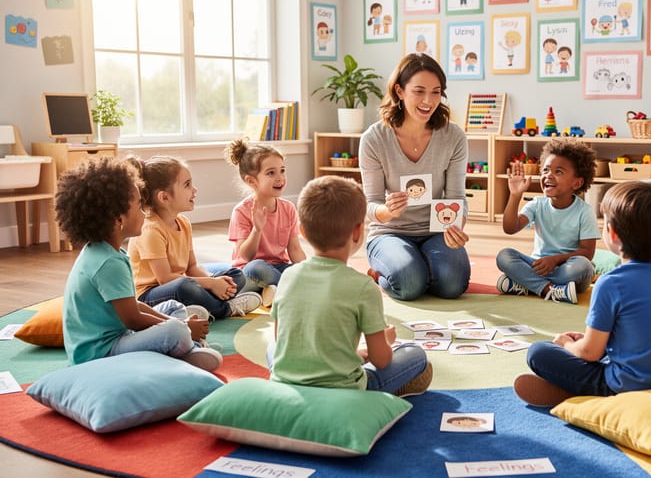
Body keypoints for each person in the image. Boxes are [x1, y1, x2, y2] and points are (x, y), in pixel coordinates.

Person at [514, 181, 651, 407]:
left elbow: (590, 353)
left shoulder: (611, 283)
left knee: (539, 352)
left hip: (628, 385)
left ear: (612, 232)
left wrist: (566, 345)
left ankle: (584, 397)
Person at [269, 175, 432, 396]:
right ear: (357, 232)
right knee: (416, 355)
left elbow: (281, 342)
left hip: (288, 380)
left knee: (272, 349)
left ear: (303, 232)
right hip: (342, 387)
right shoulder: (364, 287)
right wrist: (386, 340)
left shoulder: (288, 275)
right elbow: (382, 360)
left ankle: (350, 356)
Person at [56, 157, 222, 371]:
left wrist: (177, 322)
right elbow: (133, 319)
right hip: (101, 354)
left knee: (173, 307)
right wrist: (183, 328)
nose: (145, 213)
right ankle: (184, 351)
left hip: (118, 335)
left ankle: (182, 348)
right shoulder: (108, 264)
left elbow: (134, 306)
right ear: (119, 220)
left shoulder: (106, 252)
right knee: (175, 331)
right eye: (138, 208)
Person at [360, 53, 471, 301]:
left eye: (435, 92)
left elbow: (456, 197)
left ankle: (417, 265)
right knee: (409, 286)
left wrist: (457, 226)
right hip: (390, 231)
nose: (428, 101)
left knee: (453, 286)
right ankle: (390, 270)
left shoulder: (453, 136)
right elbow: (370, 203)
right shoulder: (374, 139)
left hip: (437, 230)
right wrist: (387, 212)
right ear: (399, 91)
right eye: (419, 91)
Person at [128, 156, 262, 320]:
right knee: (185, 286)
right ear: (164, 197)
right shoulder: (151, 230)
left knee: (235, 275)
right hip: (151, 295)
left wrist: (216, 282)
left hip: (183, 280)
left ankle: (195, 307)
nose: (194, 190)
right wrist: (211, 284)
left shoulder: (183, 223)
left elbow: (192, 266)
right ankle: (225, 309)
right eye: (187, 185)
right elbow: (165, 280)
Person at [496, 138, 598, 304]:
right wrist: (515, 196)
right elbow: (510, 227)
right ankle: (550, 290)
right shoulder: (537, 204)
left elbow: (588, 253)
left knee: (584, 266)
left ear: (577, 182)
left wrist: (556, 259)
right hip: (537, 266)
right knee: (504, 256)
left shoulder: (584, 212)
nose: (548, 175)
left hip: (567, 269)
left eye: (558, 172)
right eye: (545, 170)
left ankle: (526, 284)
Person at [220, 139, 306, 307]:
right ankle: (287, 288)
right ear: (251, 181)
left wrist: (307, 269)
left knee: (298, 271)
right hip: (250, 270)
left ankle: (274, 290)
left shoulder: (288, 208)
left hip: (279, 267)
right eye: (271, 173)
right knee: (256, 268)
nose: (280, 178)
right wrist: (257, 229)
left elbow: (294, 249)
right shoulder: (241, 211)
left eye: (282, 170)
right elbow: (246, 256)